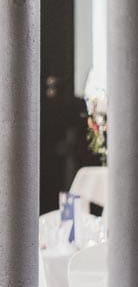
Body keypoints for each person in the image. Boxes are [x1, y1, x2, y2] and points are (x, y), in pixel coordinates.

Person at [40, 75, 89, 213]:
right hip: (50, 161)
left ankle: (69, 216)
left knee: (70, 189)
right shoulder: (44, 109)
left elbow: (74, 130)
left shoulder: (71, 107)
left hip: (69, 159)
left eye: (56, 88)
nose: (52, 92)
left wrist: (70, 145)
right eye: (49, 88)